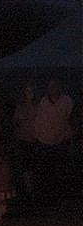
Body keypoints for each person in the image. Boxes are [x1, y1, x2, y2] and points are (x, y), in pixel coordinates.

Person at [32, 77, 74, 205]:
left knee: (60, 172)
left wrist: (67, 135)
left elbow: (71, 119)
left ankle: (59, 199)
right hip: (44, 141)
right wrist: (37, 134)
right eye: (51, 87)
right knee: (45, 171)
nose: (53, 89)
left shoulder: (67, 101)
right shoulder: (43, 101)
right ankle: (46, 199)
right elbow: (39, 118)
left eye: (56, 86)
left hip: (60, 141)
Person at [12, 84, 39, 199]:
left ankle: (34, 189)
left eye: (31, 91)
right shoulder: (21, 107)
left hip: (36, 138)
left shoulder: (38, 105)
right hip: (24, 139)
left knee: (34, 165)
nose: (29, 94)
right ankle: (28, 189)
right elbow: (15, 121)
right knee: (25, 165)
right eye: (27, 91)